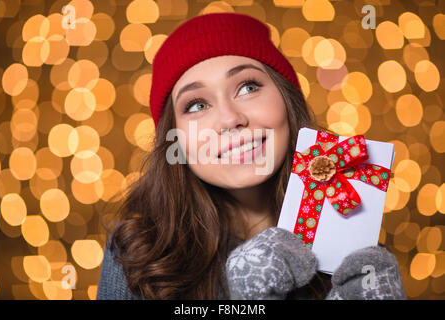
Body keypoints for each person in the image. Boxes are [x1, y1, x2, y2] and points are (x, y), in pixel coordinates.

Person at [97, 12, 406, 300]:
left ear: (287, 100)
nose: (230, 119)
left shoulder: (350, 226)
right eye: (196, 105)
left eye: (247, 87)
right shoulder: (140, 251)